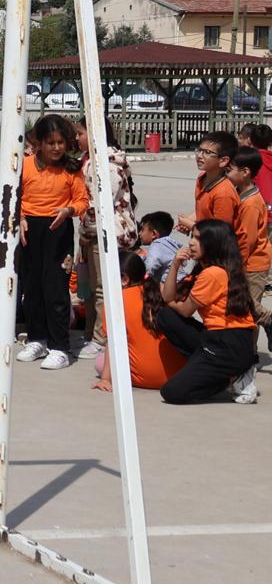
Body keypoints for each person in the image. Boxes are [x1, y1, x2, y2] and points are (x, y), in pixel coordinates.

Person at [155, 219, 260, 404]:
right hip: (219, 338)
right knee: (166, 316)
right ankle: (218, 371)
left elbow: (184, 310)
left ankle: (232, 376)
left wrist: (170, 303)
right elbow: (169, 297)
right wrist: (175, 264)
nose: (191, 243)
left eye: (198, 239)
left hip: (228, 345)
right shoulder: (208, 269)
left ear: (213, 244)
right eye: (192, 237)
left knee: (171, 392)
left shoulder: (212, 273)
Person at [13, 114, 89, 368]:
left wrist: (68, 210)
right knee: (32, 289)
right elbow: (13, 196)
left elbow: (82, 201)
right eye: (50, 142)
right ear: (39, 143)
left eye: (60, 142)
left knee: (55, 290)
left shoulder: (72, 169)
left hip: (58, 230)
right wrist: (20, 217)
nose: (56, 148)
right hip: (29, 230)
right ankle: (37, 338)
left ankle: (60, 347)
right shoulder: (25, 165)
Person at [74, 117, 138, 358]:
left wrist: (79, 217)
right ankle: (90, 331)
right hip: (91, 231)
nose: (76, 138)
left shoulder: (107, 165)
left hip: (109, 233)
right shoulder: (87, 160)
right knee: (90, 287)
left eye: (80, 133)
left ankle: (101, 338)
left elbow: (101, 203)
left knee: (103, 288)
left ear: (94, 134)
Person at [94, 253, 186, 393]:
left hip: (143, 378)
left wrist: (105, 379)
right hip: (176, 375)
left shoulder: (116, 300)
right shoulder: (162, 291)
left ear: (125, 279)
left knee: (99, 362)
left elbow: (112, 343)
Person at [227, 147, 271, 341]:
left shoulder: (251, 203)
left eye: (229, 170)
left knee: (249, 310)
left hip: (253, 264)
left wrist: (235, 267)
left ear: (245, 172)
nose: (226, 174)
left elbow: (247, 240)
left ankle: (266, 323)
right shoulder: (239, 194)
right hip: (246, 261)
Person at [177, 130, 240, 234]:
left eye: (207, 152)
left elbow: (220, 234)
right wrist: (190, 219)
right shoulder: (202, 178)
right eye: (199, 150)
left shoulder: (223, 193)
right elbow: (202, 211)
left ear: (223, 161)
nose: (199, 155)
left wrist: (192, 226)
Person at [138, 211, 179, 278]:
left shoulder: (157, 245)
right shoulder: (170, 245)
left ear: (154, 234)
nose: (139, 233)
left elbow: (148, 268)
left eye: (142, 230)